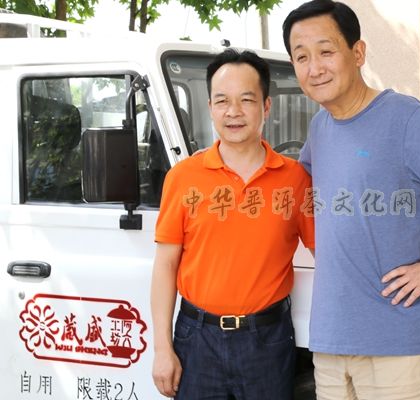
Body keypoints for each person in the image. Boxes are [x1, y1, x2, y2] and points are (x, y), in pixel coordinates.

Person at [282, 1, 420, 399]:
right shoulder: (320, 127)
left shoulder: (403, 117)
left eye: (326, 51)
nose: (315, 68)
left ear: (357, 53)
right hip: (331, 342)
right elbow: (305, 190)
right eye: (302, 57)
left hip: (398, 346)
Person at [150, 48, 315, 400]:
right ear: (211, 107)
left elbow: (328, 252)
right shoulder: (183, 178)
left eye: (246, 100)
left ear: (266, 106)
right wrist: (162, 348)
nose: (233, 111)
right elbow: (165, 264)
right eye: (222, 100)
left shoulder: (295, 180)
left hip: (267, 340)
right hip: (197, 339)